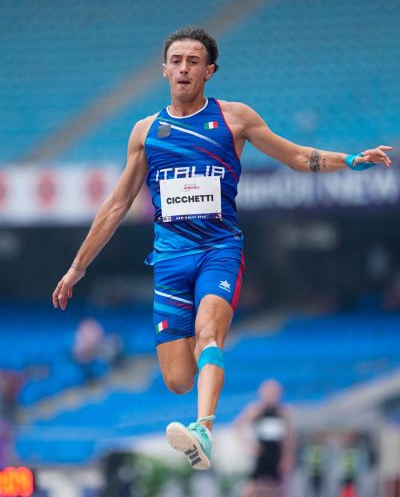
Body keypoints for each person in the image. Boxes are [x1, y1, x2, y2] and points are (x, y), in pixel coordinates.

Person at [52, 27, 392, 470]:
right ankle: (199, 386)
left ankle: (203, 429)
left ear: (209, 71)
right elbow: (117, 204)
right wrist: (77, 267)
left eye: (193, 62)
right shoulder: (146, 132)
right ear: (164, 70)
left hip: (219, 250)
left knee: (210, 333)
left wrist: (350, 160)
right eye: (176, 61)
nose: (184, 69)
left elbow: (295, 156)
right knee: (178, 379)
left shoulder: (234, 118)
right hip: (170, 260)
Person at [235, 380, 295, 496]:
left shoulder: (283, 411)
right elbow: (238, 426)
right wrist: (249, 445)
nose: (272, 396)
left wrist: (288, 456)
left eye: (274, 393)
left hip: (277, 453)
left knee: (278, 488)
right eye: (268, 392)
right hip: (261, 453)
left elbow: (289, 437)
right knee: (252, 487)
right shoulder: (256, 409)